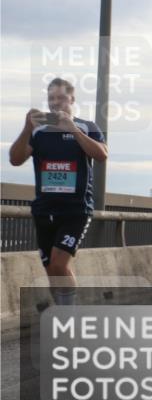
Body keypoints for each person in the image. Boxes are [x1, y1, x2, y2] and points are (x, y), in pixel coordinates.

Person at [8, 78, 108, 307]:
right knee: (51, 269)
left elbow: (101, 154)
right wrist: (27, 126)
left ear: (71, 99)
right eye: (51, 98)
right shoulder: (40, 131)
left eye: (61, 98)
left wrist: (72, 129)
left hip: (76, 209)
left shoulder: (86, 126)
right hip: (44, 209)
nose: (55, 103)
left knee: (60, 264)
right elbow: (15, 159)